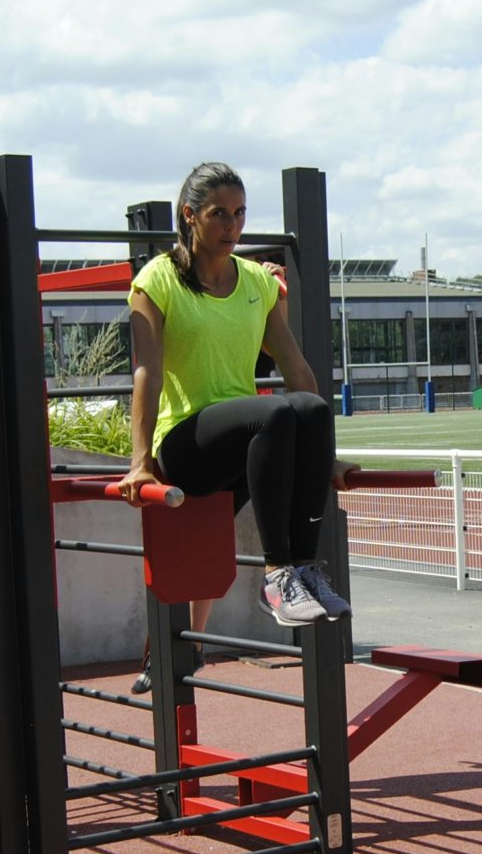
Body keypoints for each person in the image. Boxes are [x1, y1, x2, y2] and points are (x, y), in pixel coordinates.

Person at [118, 161, 353, 626]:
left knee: (310, 408)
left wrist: (325, 455)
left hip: (246, 443)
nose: (232, 226)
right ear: (190, 216)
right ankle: (276, 575)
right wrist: (140, 460)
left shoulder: (256, 282)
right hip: (186, 441)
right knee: (275, 415)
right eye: (219, 214)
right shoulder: (158, 279)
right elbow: (148, 371)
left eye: (240, 213)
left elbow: (296, 368)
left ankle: (304, 566)